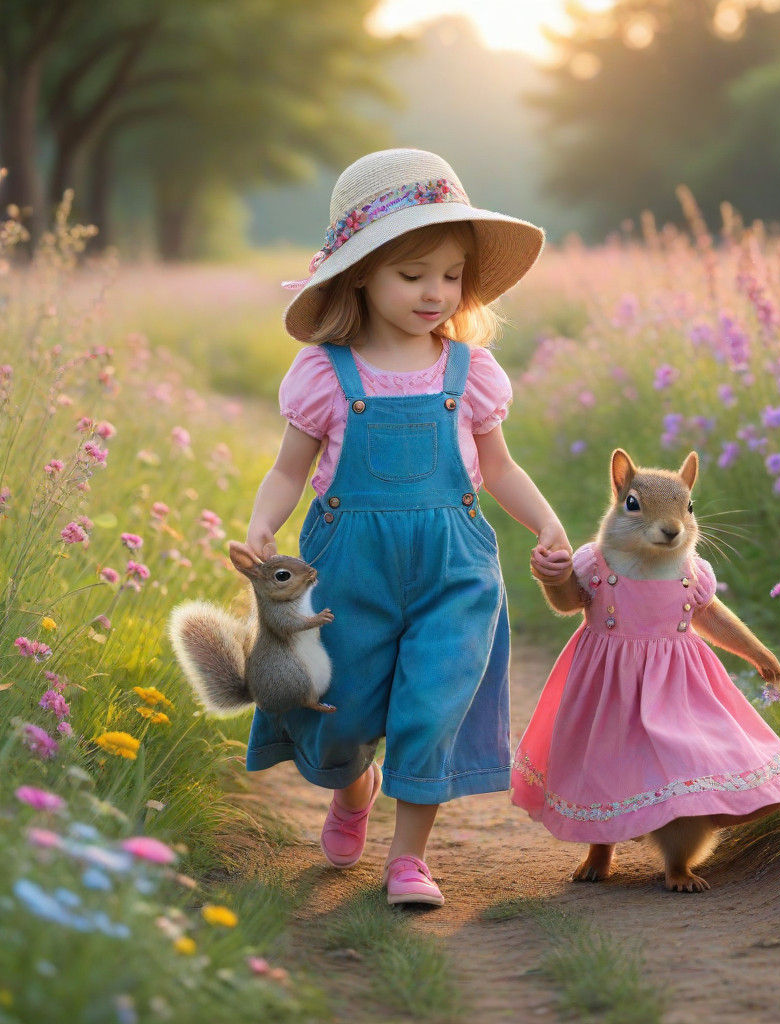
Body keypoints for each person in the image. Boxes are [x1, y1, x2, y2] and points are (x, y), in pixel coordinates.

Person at [242, 148, 572, 907]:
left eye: (451, 276)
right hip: (347, 572)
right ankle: (353, 789)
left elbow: (499, 467)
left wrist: (547, 523)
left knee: (433, 705)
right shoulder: (326, 374)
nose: (436, 292)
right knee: (344, 709)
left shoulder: (470, 371)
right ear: (361, 273)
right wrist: (263, 523)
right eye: (413, 273)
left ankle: (409, 860)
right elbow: (289, 470)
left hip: (454, 570)